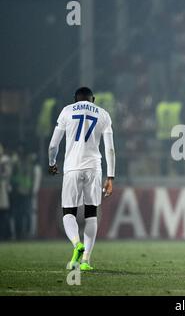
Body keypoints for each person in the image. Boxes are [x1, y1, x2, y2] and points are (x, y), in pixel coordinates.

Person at [48, 87, 116, 271]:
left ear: (75, 99)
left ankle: (77, 244)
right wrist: (110, 176)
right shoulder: (103, 115)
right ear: (92, 99)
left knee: (68, 212)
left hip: (72, 167)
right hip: (94, 167)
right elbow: (110, 149)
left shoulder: (67, 111)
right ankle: (86, 260)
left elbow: (54, 144)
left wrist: (52, 162)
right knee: (91, 213)